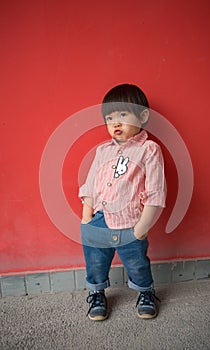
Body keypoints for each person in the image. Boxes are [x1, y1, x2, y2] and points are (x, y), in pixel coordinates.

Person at [79, 83, 166, 321]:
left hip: (130, 222)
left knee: (137, 263)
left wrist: (142, 227)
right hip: (98, 220)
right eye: (109, 117)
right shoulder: (102, 151)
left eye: (123, 115)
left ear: (143, 115)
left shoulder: (149, 150)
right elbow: (91, 185)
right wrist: (87, 217)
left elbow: (155, 191)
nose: (115, 123)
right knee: (95, 261)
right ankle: (96, 293)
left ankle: (146, 293)